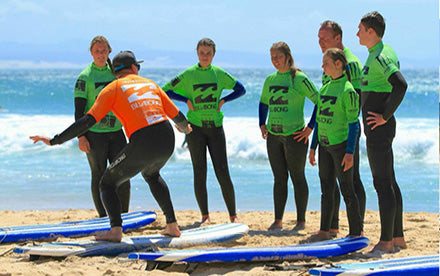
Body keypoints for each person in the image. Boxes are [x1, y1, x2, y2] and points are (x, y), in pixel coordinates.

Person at [30, 51, 192, 242]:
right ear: (133, 68)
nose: (138, 70)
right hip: (166, 137)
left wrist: (54, 140)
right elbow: (177, 116)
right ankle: (172, 226)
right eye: (137, 66)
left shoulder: (112, 89)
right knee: (152, 175)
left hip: (143, 139)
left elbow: (86, 121)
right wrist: (186, 128)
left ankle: (115, 230)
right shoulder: (151, 84)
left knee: (107, 183)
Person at [162, 38, 245, 224]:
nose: (205, 56)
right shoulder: (189, 74)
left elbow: (241, 90)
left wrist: (224, 100)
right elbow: (165, 91)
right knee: (199, 172)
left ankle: (233, 215)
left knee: (222, 172)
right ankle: (205, 216)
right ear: (197, 53)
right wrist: (185, 100)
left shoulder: (219, 74)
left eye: (208, 53)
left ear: (213, 54)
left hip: (215, 128)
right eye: (202, 53)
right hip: (195, 130)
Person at [357, 11, 407, 253]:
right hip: (378, 128)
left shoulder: (381, 56)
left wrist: (385, 116)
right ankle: (397, 237)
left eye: (360, 29)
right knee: (390, 180)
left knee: (382, 182)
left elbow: (400, 84)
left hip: (379, 129)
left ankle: (386, 241)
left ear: (371, 32)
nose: (357, 33)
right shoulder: (376, 53)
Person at [259, 42, 319, 231]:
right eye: (272, 57)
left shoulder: (299, 78)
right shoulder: (270, 79)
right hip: (274, 136)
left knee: (297, 177)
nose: (275, 61)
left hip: (295, 137)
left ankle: (301, 221)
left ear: (287, 56)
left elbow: (320, 101)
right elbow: (263, 103)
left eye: (278, 57)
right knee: (279, 178)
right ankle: (278, 220)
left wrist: (310, 127)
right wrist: (262, 123)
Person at [307, 48, 362, 241]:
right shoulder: (324, 88)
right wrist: (312, 147)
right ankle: (325, 230)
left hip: (341, 146)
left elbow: (354, 124)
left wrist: (350, 152)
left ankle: (355, 232)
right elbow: (320, 120)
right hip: (324, 145)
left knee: (347, 189)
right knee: (326, 189)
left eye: (326, 63)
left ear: (338, 64)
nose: (322, 67)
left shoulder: (348, 90)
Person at [317, 21, 366, 237]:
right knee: (328, 184)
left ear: (338, 38)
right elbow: (323, 105)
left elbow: (355, 105)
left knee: (351, 183)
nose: (320, 43)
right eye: (318, 38)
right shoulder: (328, 70)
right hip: (327, 135)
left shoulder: (351, 65)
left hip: (345, 134)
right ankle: (331, 227)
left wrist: (349, 147)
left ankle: (357, 230)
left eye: (325, 39)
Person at [74, 36, 130, 217]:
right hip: (94, 134)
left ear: (109, 52)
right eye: (97, 51)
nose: (100, 54)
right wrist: (81, 137)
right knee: (98, 175)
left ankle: (124, 214)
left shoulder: (116, 74)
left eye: (104, 51)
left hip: (116, 132)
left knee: (123, 174)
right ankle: (103, 217)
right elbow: (79, 111)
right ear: (91, 53)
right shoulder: (85, 77)